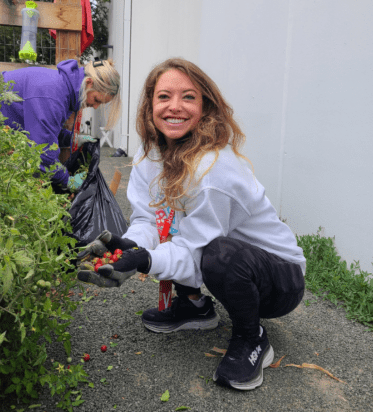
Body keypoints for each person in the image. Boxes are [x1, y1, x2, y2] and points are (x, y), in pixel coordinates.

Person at [76, 58, 306, 391]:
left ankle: (251, 336)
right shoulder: (149, 155)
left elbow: (195, 255)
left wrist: (148, 260)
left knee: (218, 254)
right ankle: (195, 308)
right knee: (178, 227)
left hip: (279, 281)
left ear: (205, 107)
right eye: (164, 97)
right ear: (150, 105)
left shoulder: (213, 169)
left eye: (188, 97)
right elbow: (149, 219)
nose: (175, 107)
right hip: (220, 259)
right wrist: (134, 245)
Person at [0, 58, 121, 192]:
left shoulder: (62, 88)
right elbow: (42, 154)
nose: (95, 106)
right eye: (97, 100)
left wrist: (72, 139)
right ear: (89, 83)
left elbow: (46, 130)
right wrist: (67, 181)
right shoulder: (52, 95)